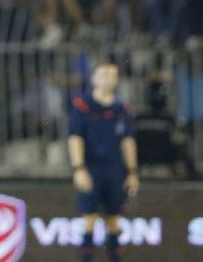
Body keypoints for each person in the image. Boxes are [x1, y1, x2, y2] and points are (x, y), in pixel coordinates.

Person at [68, 61, 140, 262]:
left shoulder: (122, 109)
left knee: (114, 221)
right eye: (103, 74)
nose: (107, 78)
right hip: (91, 167)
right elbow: (75, 137)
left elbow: (128, 141)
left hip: (115, 169)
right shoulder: (82, 106)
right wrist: (78, 168)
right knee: (89, 219)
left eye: (112, 75)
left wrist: (132, 172)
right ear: (94, 78)